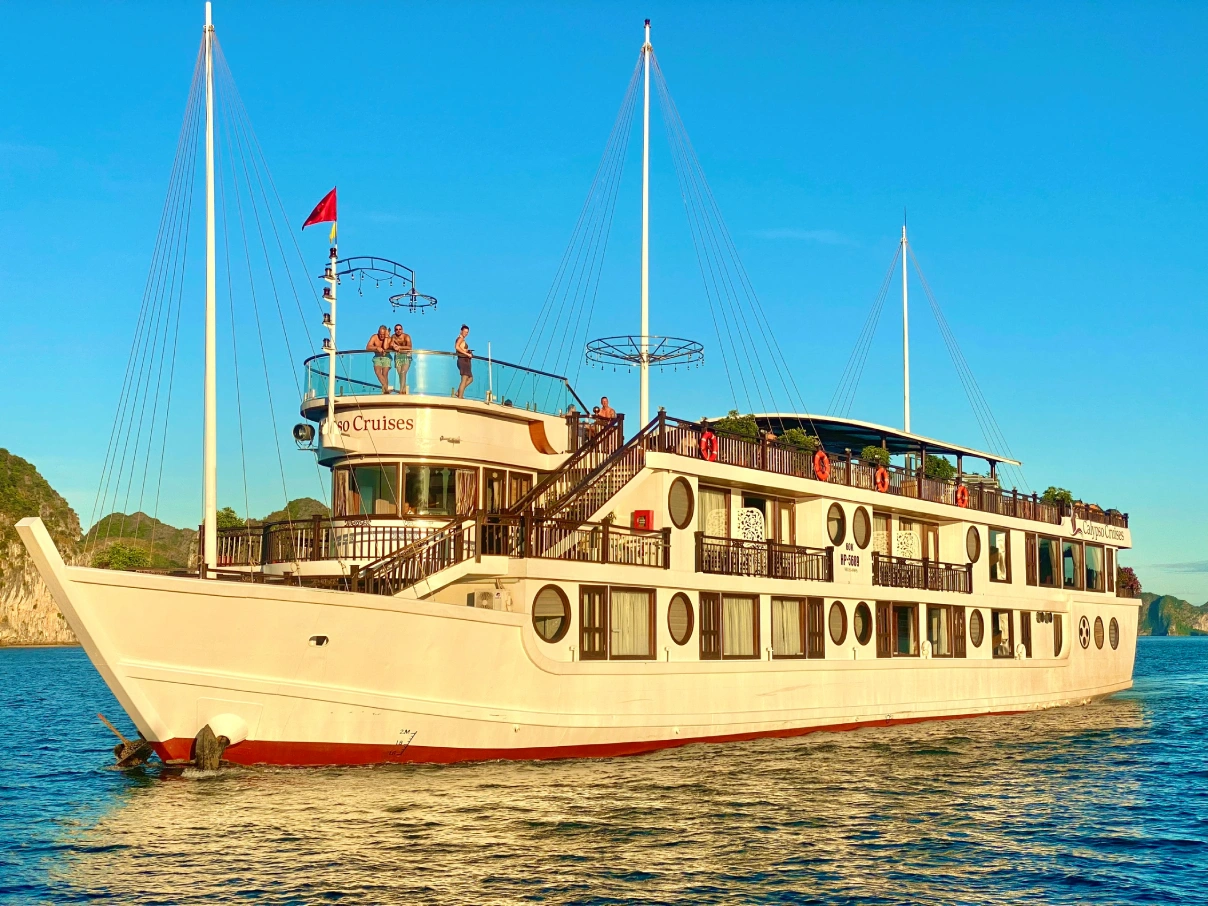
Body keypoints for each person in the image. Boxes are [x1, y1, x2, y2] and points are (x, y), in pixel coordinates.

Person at [367, 325, 392, 394]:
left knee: (385, 374)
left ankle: (385, 391)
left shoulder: (389, 338)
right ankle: (386, 388)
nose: (381, 336)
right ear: (378, 332)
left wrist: (386, 337)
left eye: (383, 334)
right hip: (377, 357)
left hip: (386, 357)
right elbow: (368, 347)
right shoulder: (374, 337)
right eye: (380, 334)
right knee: (377, 372)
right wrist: (376, 348)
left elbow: (386, 347)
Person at [391, 323, 413, 394]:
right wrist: (393, 346)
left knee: (403, 372)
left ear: (402, 330)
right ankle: (403, 390)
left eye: (400, 329)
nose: (398, 331)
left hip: (406, 355)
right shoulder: (393, 337)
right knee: (400, 374)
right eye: (396, 329)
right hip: (398, 356)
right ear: (394, 330)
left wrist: (399, 347)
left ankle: (401, 390)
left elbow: (409, 347)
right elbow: (391, 345)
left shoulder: (406, 336)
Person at [454, 324, 473, 399]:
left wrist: (467, 351)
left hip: (465, 360)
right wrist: (467, 354)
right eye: (465, 331)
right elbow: (457, 347)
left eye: (467, 332)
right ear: (461, 331)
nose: (466, 333)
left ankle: (458, 392)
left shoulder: (462, 339)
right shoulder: (460, 338)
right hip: (463, 360)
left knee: (470, 378)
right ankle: (460, 396)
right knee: (464, 378)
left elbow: (460, 348)